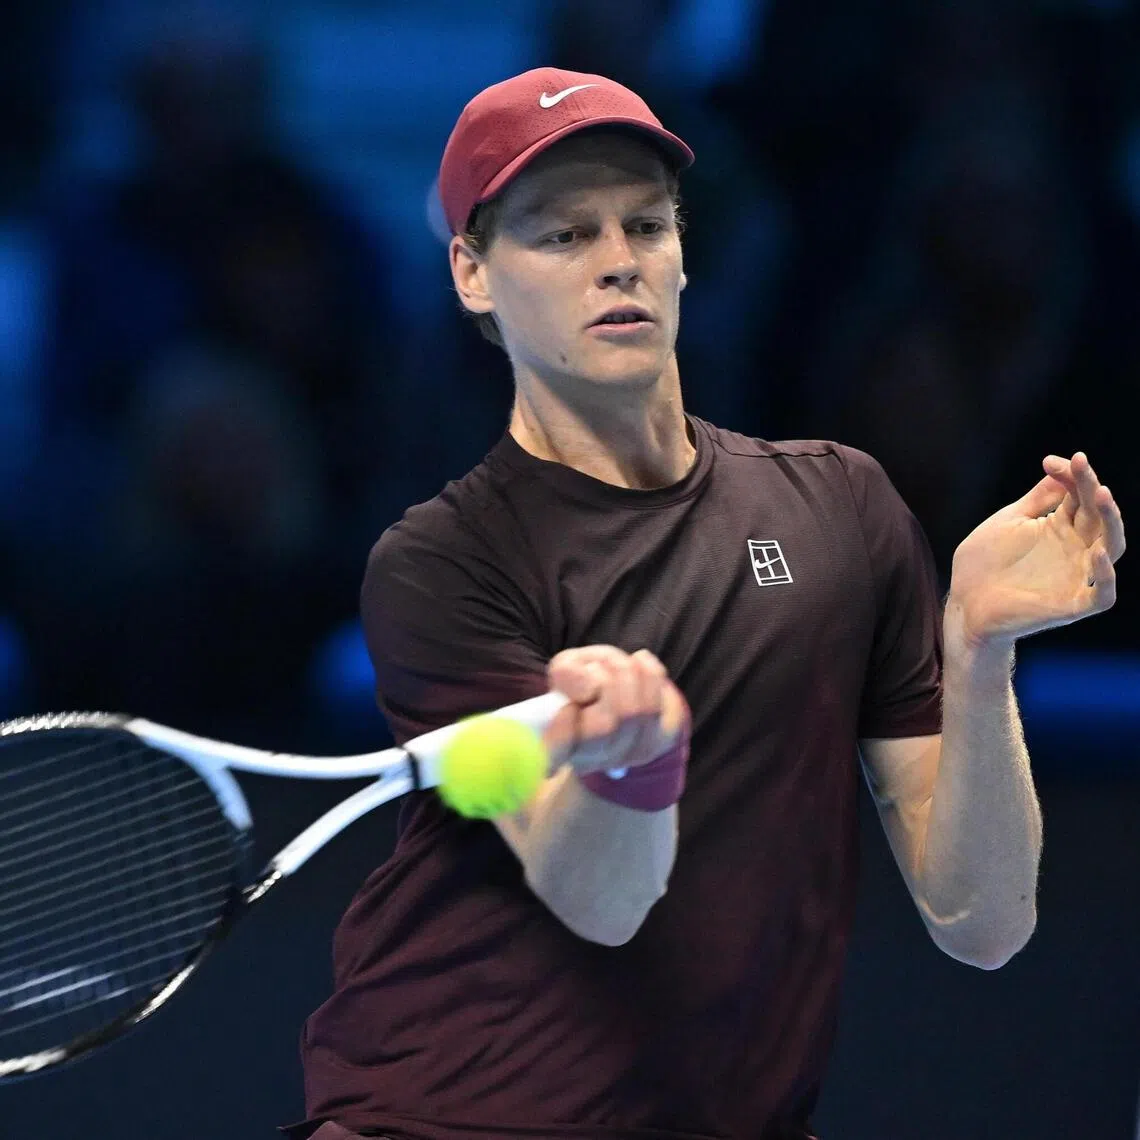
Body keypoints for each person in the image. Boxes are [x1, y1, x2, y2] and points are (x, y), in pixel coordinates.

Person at [285, 68, 1125, 1140]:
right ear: (472, 274)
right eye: (562, 236)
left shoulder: (844, 509)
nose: (618, 260)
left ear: (684, 255)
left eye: (645, 224)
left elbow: (983, 920)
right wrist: (637, 769)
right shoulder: (444, 563)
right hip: (440, 1118)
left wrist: (979, 648)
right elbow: (599, 896)